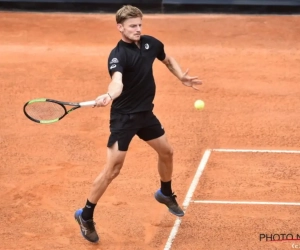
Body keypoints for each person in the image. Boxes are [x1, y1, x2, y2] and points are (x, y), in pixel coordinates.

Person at [74, 5, 202, 243]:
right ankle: (86, 215)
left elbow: (167, 58)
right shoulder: (117, 55)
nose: (138, 29)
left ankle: (165, 193)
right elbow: (117, 82)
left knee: (167, 151)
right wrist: (109, 95)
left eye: (140, 25)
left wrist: (180, 75)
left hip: (145, 115)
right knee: (113, 170)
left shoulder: (151, 43)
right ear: (120, 27)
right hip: (123, 119)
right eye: (133, 26)